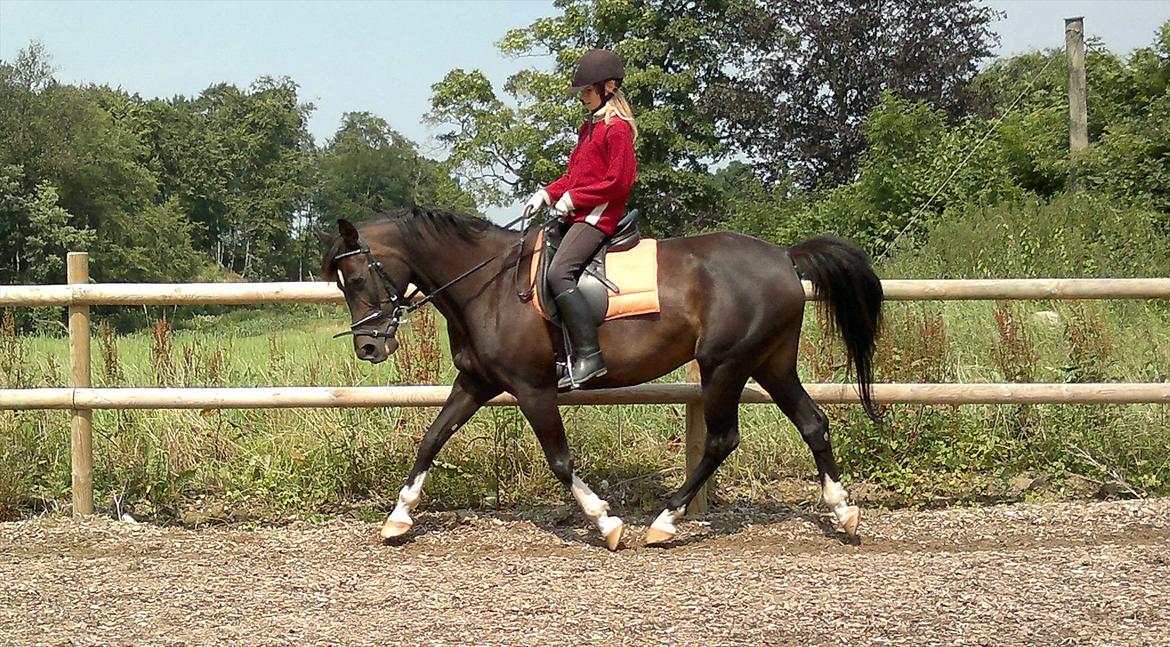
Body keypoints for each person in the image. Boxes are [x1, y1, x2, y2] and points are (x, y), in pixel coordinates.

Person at [523, 48, 639, 390]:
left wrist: (574, 199)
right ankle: (560, 353)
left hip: (599, 217)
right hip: (579, 212)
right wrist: (548, 193)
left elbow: (618, 183)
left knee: (560, 272)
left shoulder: (615, 130)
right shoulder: (588, 129)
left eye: (588, 91)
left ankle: (589, 356)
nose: (583, 97)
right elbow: (575, 176)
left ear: (609, 86)